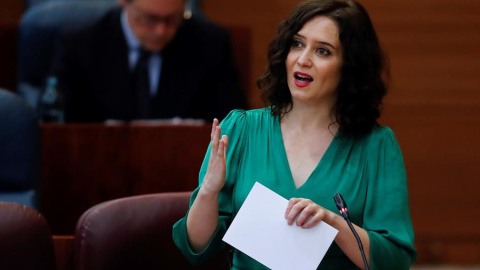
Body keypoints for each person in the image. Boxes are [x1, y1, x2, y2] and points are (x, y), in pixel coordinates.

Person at [172, 0, 417, 269]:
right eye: (297, 44)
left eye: (323, 51)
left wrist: (333, 223)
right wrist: (208, 191)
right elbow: (196, 248)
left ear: (350, 67)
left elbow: (394, 261)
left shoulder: (377, 146)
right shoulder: (240, 129)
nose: (303, 59)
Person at [52, 0, 246, 122]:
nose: (161, 30)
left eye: (172, 19)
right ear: (124, 3)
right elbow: (59, 122)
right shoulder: (81, 44)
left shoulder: (210, 43)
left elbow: (232, 121)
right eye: (149, 19)